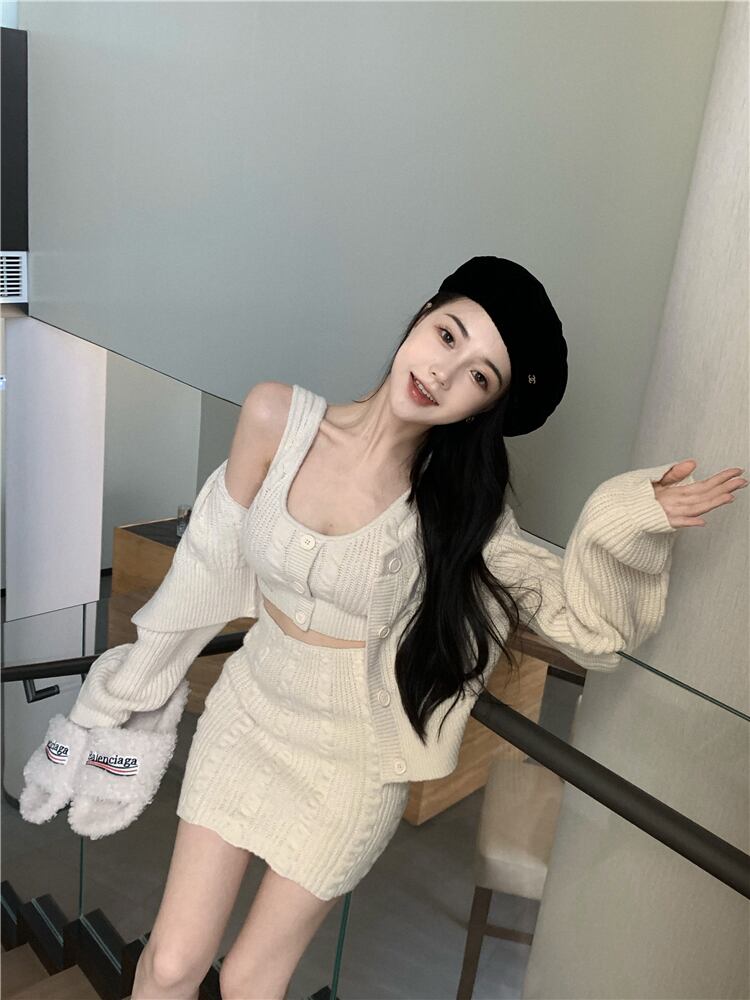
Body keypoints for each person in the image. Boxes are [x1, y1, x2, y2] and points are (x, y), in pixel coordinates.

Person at [20, 257, 746, 1000]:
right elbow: (199, 578)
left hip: (354, 763)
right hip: (247, 715)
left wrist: (625, 518)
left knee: (247, 984)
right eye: (448, 335)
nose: (443, 372)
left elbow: (590, 627)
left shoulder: (461, 513)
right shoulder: (276, 418)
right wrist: (108, 707)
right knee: (170, 964)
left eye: (479, 376)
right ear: (424, 314)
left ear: (484, 407)